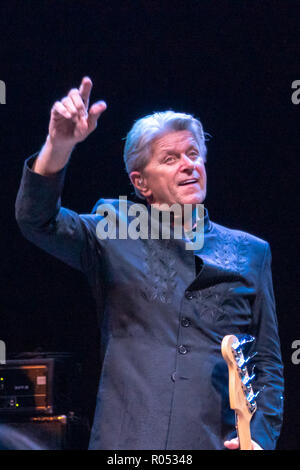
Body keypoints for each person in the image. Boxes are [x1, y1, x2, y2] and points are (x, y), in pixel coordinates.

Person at [15, 77, 284, 450]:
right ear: (141, 183)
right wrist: (58, 145)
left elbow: (268, 363)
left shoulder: (251, 251)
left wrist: (259, 439)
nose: (188, 166)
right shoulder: (114, 227)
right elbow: (37, 220)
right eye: (170, 159)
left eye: (193, 154)